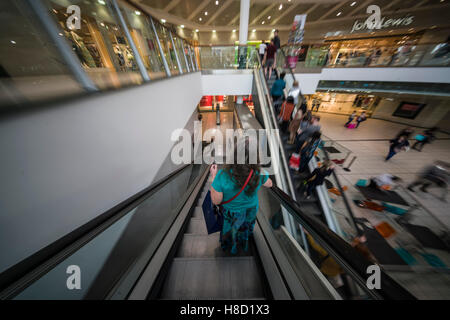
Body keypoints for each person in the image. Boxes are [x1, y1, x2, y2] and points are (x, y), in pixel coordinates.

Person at [210, 142, 273, 255]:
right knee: (245, 228)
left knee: (231, 231)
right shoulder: (259, 173)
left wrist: (213, 176)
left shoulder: (222, 175)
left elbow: (216, 201)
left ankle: (231, 247)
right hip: (250, 210)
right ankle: (244, 242)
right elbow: (270, 184)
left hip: (232, 213)